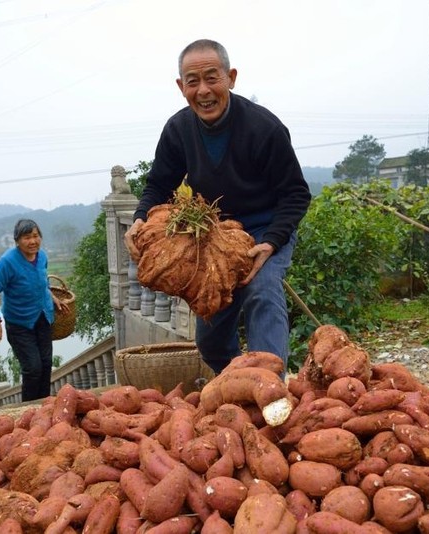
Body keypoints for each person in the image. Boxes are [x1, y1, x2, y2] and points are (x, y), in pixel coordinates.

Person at [124, 39, 311, 375]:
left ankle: (269, 388)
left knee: (261, 290)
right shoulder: (179, 129)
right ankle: (239, 382)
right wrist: (140, 218)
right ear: (181, 86)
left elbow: (296, 193)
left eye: (213, 78)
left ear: (231, 78)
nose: (203, 90)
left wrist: (271, 241)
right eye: (193, 81)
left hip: (264, 230)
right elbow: (158, 185)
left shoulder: (263, 128)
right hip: (213, 236)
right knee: (210, 341)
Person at [0, 219, 67, 401]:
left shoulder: (42, 257)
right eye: (27, 237)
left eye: (36, 236)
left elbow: (42, 282)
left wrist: (52, 298)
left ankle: (44, 406)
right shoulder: (7, 262)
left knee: (46, 364)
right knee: (33, 368)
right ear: (17, 240)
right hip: (20, 324)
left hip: (43, 318)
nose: (33, 241)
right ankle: (28, 409)